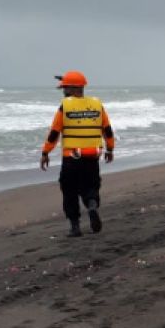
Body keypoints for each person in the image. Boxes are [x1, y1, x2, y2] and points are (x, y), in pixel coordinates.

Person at [40, 70, 115, 237]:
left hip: (72, 159)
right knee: (91, 186)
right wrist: (110, 149)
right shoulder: (97, 105)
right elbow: (107, 130)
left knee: (69, 191)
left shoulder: (64, 106)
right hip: (92, 156)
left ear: (73, 88)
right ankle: (92, 205)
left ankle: (75, 227)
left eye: (65, 88)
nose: (63, 91)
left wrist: (45, 152)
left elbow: (54, 133)